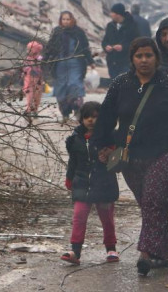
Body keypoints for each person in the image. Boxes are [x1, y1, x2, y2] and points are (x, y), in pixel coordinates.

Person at [92, 37, 168, 275]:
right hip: (131, 155)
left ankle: (145, 253)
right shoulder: (121, 84)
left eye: (149, 55)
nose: (144, 60)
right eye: (139, 56)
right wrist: (102, 145)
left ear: (156, 58)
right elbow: (106, 117)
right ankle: (163, 251)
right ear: (132, 59)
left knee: (152, 200)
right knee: (150, 204)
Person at [61, 101, 120, 265]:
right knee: (79, 216)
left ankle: (111, 249)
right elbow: (73, 161)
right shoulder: (74, 140)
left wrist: (111, 154)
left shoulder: (109, 138)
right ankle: (75, 251)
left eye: (95, 117)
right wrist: (69, 178)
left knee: (107, 218)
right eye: (87, 117)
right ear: (81, 119)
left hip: (104, 184)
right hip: (82, 184)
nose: (90, 120)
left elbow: (117, 162)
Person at [43, 11, 95, 123]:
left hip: (75, 63)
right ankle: (65, 114)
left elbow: (85, 47)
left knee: (75, 84)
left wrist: (90, 61)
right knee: (61, 88)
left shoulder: (78, 32)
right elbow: (50, 46)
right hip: (60, 63)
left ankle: (77, 110)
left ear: (72, 20)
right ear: (60, 20)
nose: (66, 21)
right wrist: (45, 59)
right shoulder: (57, 31)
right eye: (64, 19)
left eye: (68, 19)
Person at [102, 3, 140, 79]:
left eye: (112, 13)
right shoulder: (110, 26)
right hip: (112, 62)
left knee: (125, 85)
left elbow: (136, 43)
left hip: (126, 61)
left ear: (118, 14)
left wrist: (123, 47)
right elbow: (105, 41)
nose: (110, 14)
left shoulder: (132, 26)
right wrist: (106, 47)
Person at [22, 41, 44, 122]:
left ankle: (35, 110)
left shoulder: (40, 59)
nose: (28, 51)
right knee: (29, 95)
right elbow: (24, 68)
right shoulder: (27, 59)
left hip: (38, 80)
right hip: (28, 80)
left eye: (30, 49)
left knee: (37, 96)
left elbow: (42, 68)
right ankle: (28, 109)